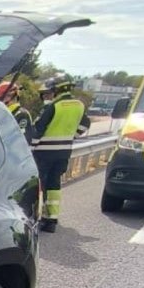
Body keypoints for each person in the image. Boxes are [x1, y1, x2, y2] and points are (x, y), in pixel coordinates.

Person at [30, 75, 90, 232]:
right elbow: (85, 124)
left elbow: (38, 130)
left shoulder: (53, 106)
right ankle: (51, 219)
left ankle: (37, 217)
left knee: (40, 185)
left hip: (43, 153)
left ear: (56, 91)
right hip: (63, 152)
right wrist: (71, 136)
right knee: (54, 184)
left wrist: (30, 148)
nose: (46, 96)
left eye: (48, 93)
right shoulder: (79, 105)